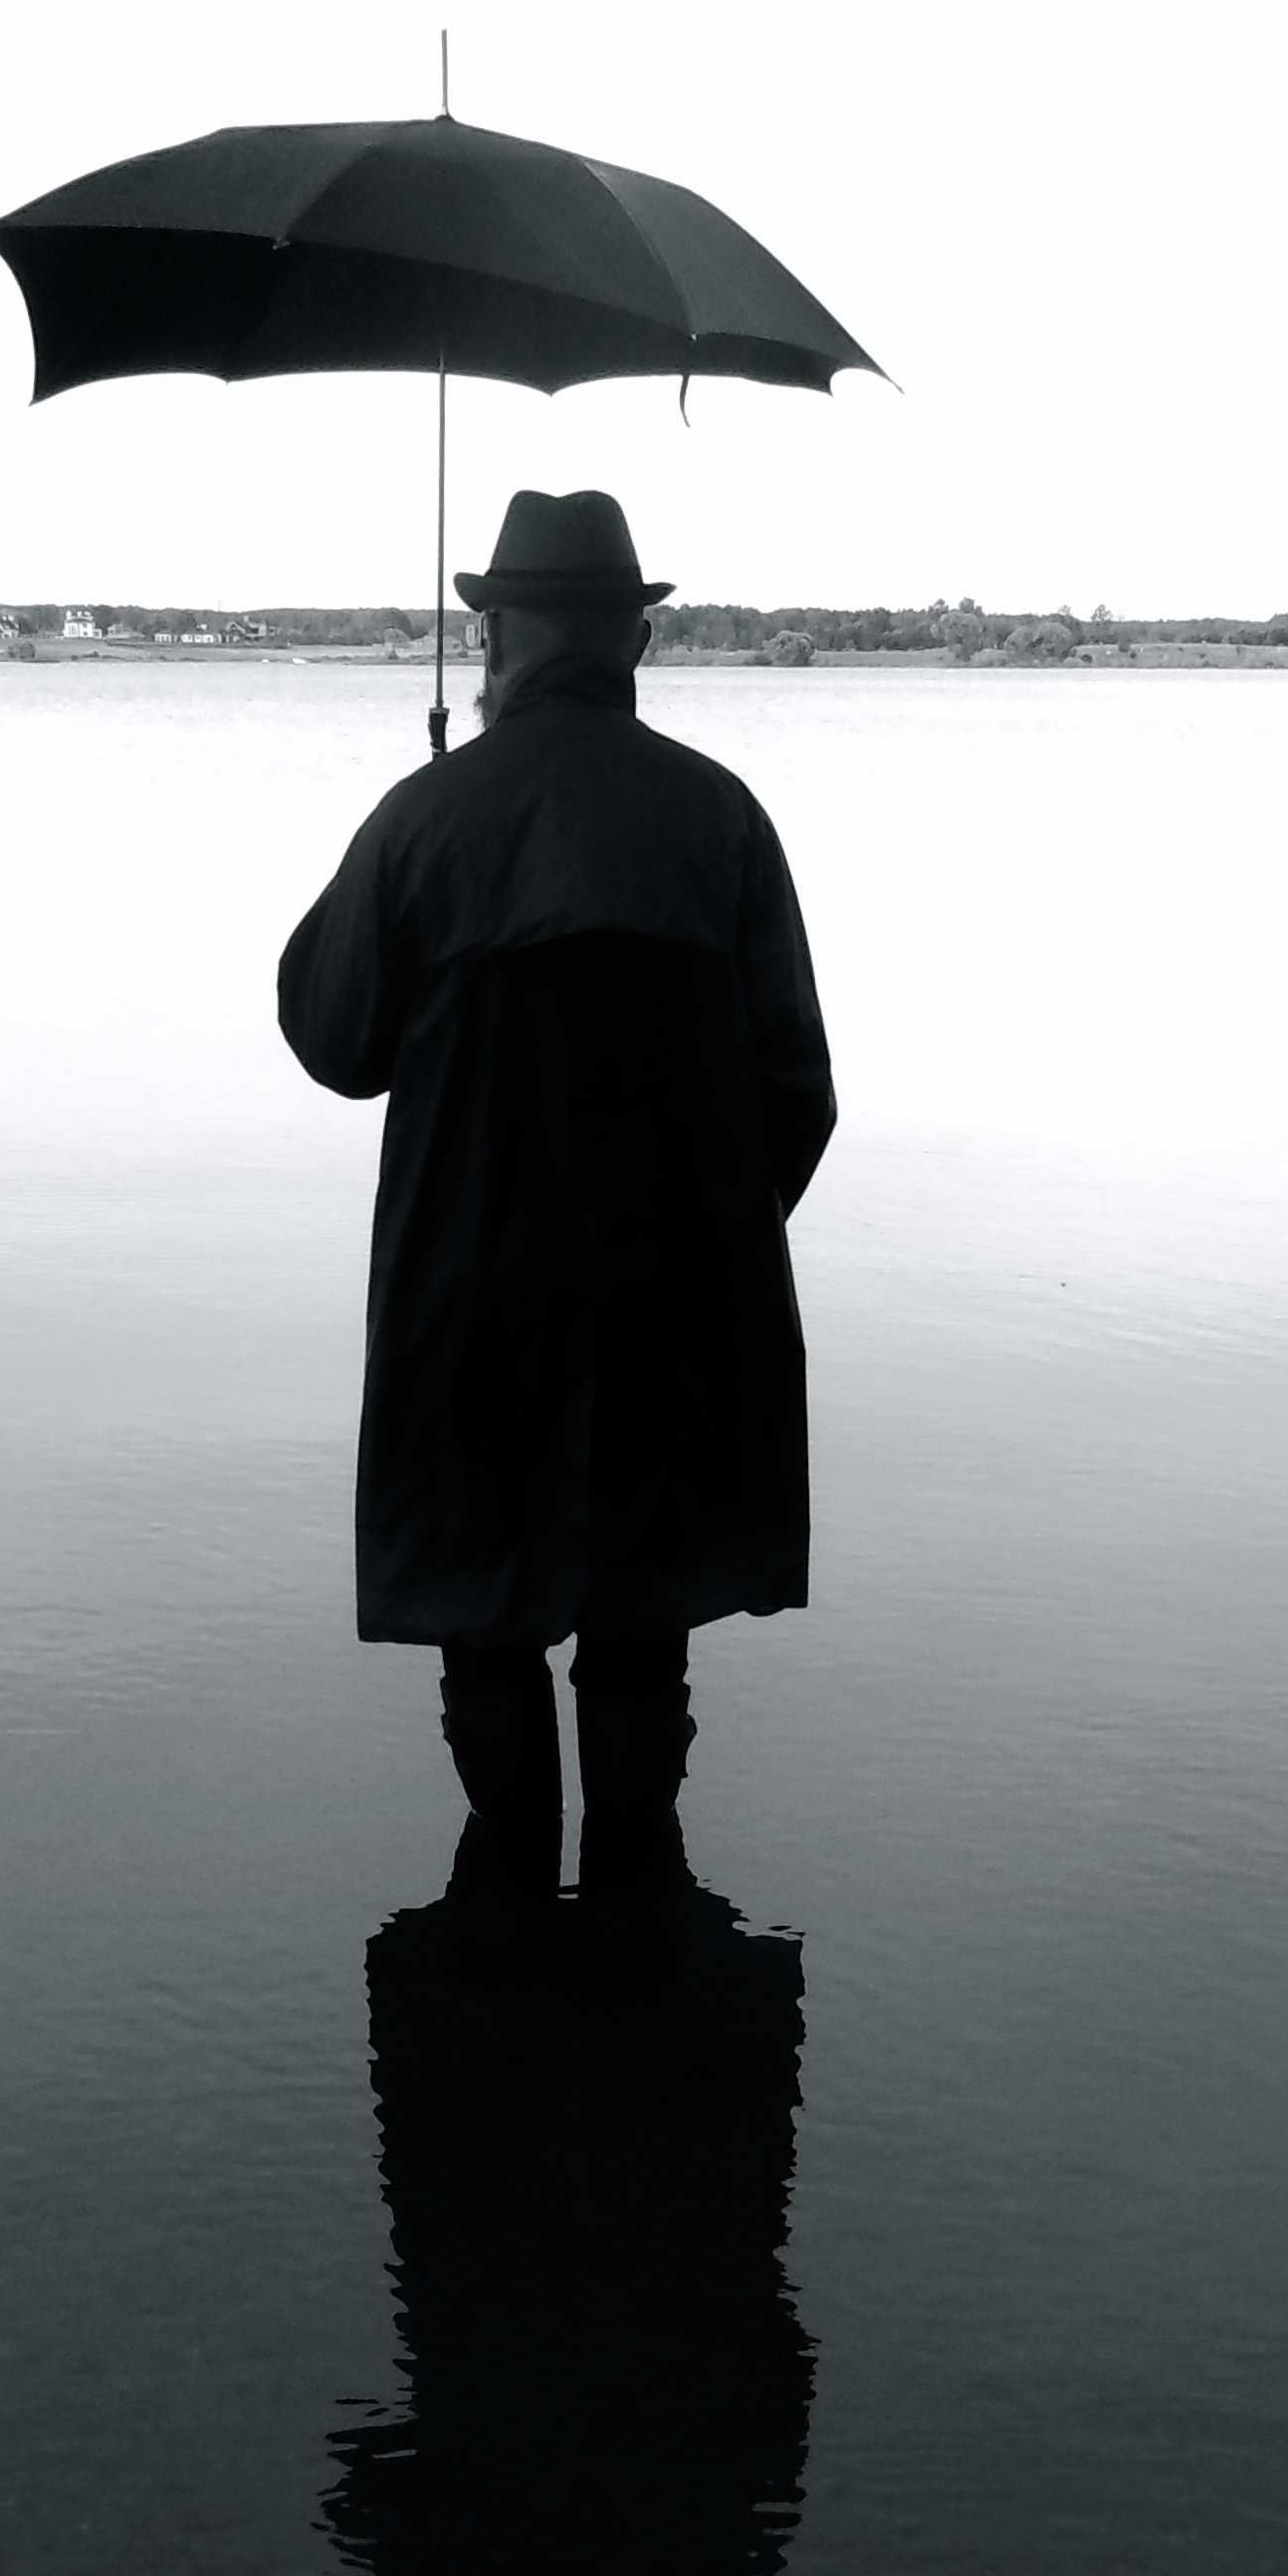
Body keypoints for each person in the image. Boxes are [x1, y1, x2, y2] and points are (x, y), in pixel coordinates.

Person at [276, 489, 836, 1899]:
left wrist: (424, 809)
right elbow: (801, 1094)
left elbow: (335, 1041)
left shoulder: (425, 818)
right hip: (678, 1314)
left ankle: (504, 1948)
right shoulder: (722, 820)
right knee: (646, 1631)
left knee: (487, 1626)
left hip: (469, 1310)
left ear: (495, 633)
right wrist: (708, 1241)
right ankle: (642, 1944)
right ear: (632, 638)